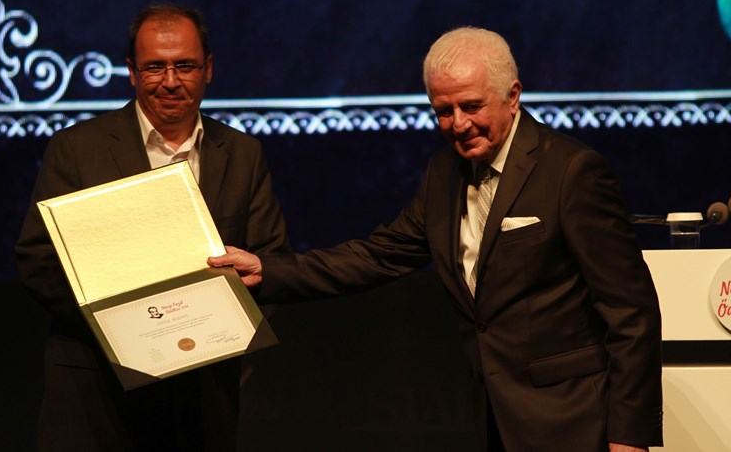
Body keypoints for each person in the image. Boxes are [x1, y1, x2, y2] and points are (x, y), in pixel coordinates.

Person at [209, 27, 663, 451]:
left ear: (513, 96)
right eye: (444, 111)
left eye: (471, 106)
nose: (458, 124)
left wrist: (628, 434)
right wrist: (267, 269)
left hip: (574, 420)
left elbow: (631, 310)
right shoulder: (444, 172)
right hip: (490, 418)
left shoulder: (571, 171)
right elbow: (378, 255)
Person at [16, 3, 290, 451]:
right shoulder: (76, 149)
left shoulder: (242, 153)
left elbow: (271, 261)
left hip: (202, 392)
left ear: (208, 69)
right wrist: (128, 335)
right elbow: (39, 261)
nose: (170, 81)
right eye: (154, 67)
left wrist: (223, 337)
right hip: (96, 390)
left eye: (185, 65)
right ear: (131, 71)